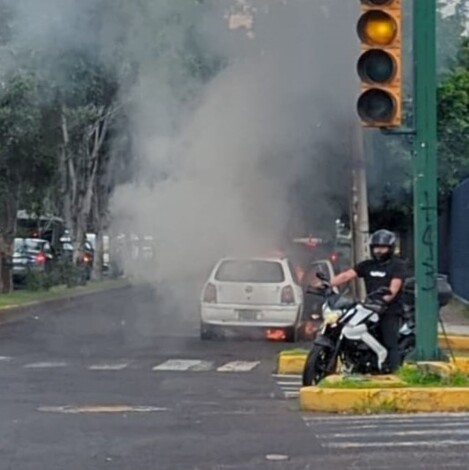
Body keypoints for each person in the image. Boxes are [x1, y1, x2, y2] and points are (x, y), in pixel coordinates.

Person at [328, 229, 406, 372]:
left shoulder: (397, 265)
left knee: (390, 341)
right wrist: (328, 284)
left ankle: (396, 371)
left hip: (389, 310)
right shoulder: (367, 265)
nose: (379, 251)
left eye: (383, 247)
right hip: (369, 308)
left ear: (390, 248)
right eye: (376, 247)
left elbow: (394, 288)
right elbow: (346, 276)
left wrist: (385, 300)